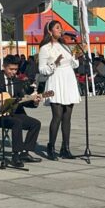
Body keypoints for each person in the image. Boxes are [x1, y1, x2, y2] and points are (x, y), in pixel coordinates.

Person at [0, 54, 43, 167]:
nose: (13, 72)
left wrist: (34, 102)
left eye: (16, 69)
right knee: (16, 122)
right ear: (4, 67)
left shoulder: (16, 82)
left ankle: (24, 152)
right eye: (11, 69)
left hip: (11, 113)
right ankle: (15, 156)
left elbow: (21, 100)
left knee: (35, 124)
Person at [38, 20, 81, 161]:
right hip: (56, 80)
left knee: (67, 117)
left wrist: (76, 55)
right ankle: (51, 146)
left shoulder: (65, 45)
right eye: (57, 27)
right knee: (57, 116)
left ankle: (65, 148)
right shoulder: (45, 48)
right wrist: (54, 64)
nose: (60, 30)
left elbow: (73, 64)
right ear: (50, 31)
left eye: (61, 27)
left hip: (68, 79)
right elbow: (42, 69)